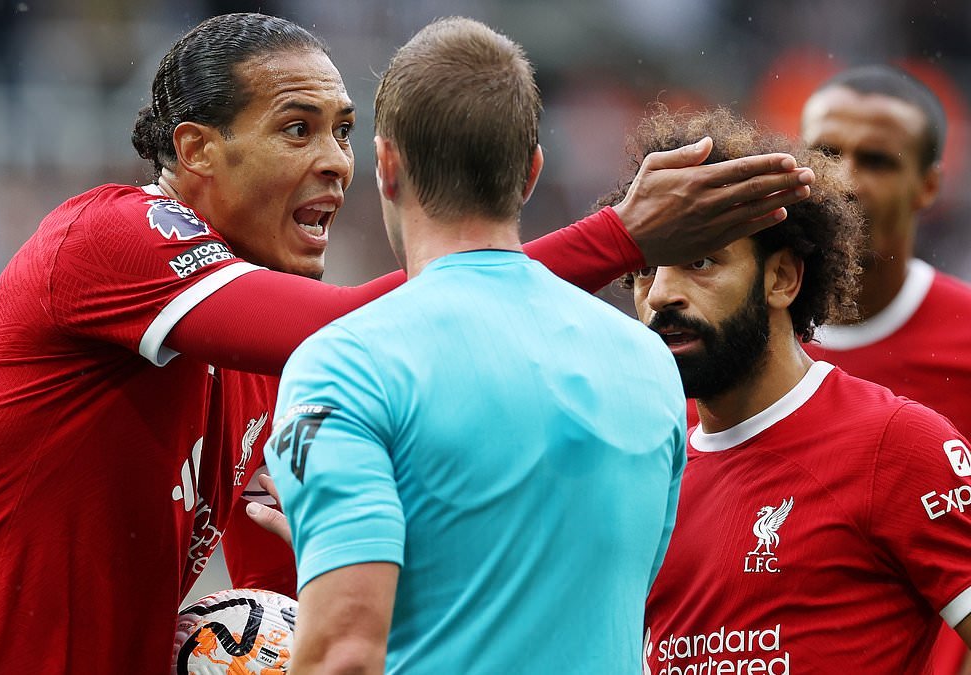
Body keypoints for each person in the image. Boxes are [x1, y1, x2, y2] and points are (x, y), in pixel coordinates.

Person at [0, 12, 813, 674]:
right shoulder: (107, 236)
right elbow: (365, 323)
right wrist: (616, 241)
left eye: (347, 132)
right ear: (194, 154)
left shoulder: (264, 373)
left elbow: (293, 593)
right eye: (297, 128)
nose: (334, 164)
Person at [258, 17, 685, 673]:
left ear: (389, 164)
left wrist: (339, 546)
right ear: (532, 172)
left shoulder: (342, 365)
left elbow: (344, 654)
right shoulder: (649, 363)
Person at [616, 106, 971, 674]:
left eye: (700, 261)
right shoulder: (642, 466)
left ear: (782, 278)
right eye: (644, 270)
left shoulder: (897, 444)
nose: (660, 295)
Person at [798, 66, 971, 673]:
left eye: (876, 161)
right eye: (824, 152)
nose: (843, 180)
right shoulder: (734, 344)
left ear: (928, 186)